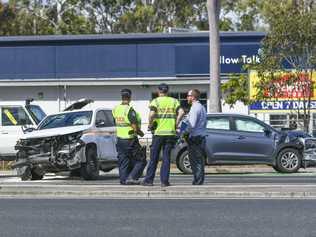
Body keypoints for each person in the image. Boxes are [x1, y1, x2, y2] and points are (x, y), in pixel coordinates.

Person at [142, 83, 185, 187]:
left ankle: (149, 181)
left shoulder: (155, 101)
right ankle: (164, 181)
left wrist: (150, 124)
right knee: (166, 158)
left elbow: (152, 114)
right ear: (168, 91)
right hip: (170, 133)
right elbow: (182, 112)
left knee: (154, 158)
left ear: (158, 91)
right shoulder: (174, 101)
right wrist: (176, 123)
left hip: (159, 133)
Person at [112, 89, 147, 185]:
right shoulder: (129, 110)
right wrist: (141, 133)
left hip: (120, 140)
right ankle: (132, 177)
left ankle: (123, 180)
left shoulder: (115, 109)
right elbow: (134, 127)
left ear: (122, 97)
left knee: (123, 161)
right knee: (141, 160)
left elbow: (115, 122)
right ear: (130, 97)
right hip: (130, 139)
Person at [184, 89, 207, 185]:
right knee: (199, 160)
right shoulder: (201, 107)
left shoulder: (194, 108)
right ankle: (198, 179)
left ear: (193, 97)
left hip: (195, 137)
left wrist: (183, 132)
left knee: (195, 160)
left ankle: (197, 180)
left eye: (188, 96)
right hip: (201, 136)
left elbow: (191, 125)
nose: (187, 98)